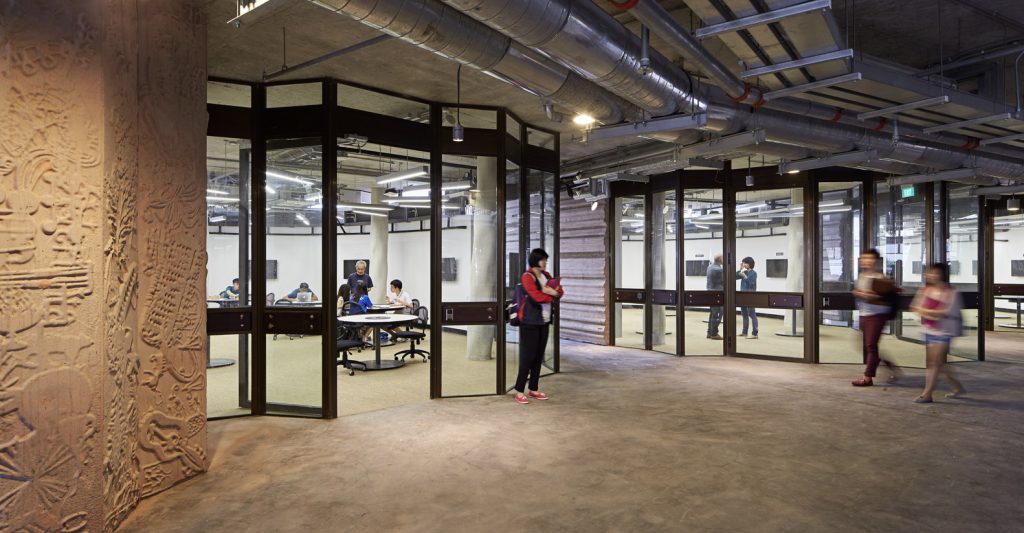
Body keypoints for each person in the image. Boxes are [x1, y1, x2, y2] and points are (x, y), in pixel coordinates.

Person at [909, 263, 966, 403]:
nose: (932, 275)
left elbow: (945, 313)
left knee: (934, 362)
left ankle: (927, 394)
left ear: (942, 275)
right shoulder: (926, 290)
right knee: (938, 362)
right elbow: (914, 307)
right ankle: (957, 387)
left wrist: (926, 312)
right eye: (930, 272)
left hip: (945, 331)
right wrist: (932, 313)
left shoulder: (952, 292)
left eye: (935, 273)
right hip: (928, 329)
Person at [513, 248, 563, 404]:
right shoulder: (527, 276)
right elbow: (537, 297)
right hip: (530, 322)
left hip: (544, 321)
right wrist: (551, 293)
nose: (545, 262)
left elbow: (560, 291)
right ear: (535, 260)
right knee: (527, 357)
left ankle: (533, 389)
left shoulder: (546, 276)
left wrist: (553, 292)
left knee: (538, 357)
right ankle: (519, 390)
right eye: (543, 260)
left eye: (546, 260)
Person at [851, 249, 899, 386]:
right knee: (864, 345)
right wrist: (859, 293)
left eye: (869, 258)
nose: (866, 261)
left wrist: (873, 296)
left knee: (871, 345)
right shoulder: (861, 276)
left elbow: (886, 297)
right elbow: (862, 294)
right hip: (864, 314)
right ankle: (886, 364)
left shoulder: (881, 278)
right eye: (864, 258)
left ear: (876, 261)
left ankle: (868, 377)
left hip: (877, 315)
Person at [736, 257, 758, 339]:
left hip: (750, 296)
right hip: (743, 296)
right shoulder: (744, 272)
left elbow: (751, 284)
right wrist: (740, 269)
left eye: (745, 263)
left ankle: (755, 333)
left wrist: (744, 277)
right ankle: (744, 332)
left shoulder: (754, 273)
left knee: (752, 314)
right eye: (743, 263)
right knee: (744, 314)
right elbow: (735, 276)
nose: (744, 264)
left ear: (749, 264)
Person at [706, 253, 724, 340]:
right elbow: (726, 280)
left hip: (710, 293)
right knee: (718, 314)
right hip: (717, 294)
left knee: (713, 314)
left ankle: (709, 332)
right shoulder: (718, 270)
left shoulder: (710, 267)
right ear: (720, 259)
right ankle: (714, 333)